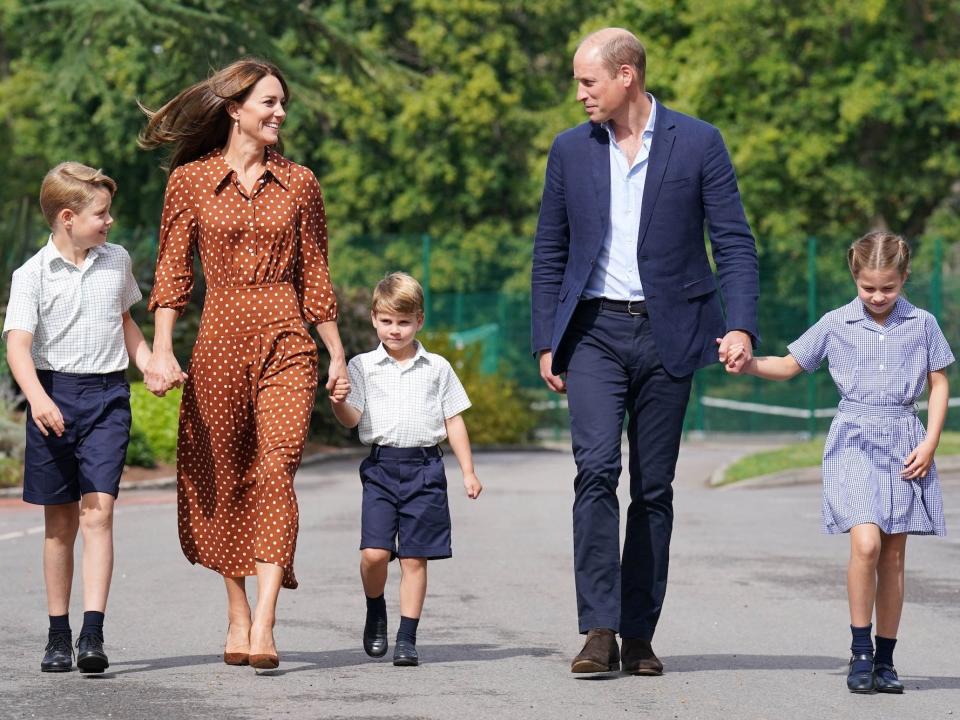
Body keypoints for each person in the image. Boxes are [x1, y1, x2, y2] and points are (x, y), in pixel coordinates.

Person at [531, 27, 760, 675]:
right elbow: (549, 252)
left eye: (588, 81)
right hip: (595, 333)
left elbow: (734, 243)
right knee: (596, 471)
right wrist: (548, 339)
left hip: (672, 333)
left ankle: (640, 634)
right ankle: (599, 630)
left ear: (626, 75)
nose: (580, 94)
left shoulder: (700, 142)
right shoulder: (569, 151)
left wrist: (740, 324)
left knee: (653, 488)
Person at [139, 57, 349, 671]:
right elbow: (172, 275)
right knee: (223, 474)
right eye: (268, 103)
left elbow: (316, 274)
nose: (280, 113)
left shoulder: (302, 182)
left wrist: (336, 353)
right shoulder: (191, 183)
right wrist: (160, 349)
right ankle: (235, 612)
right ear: (235, 109)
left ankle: (264, 622)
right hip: (220, 339)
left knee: (277, 468)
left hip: (287, 337)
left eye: (282, 103)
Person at [725, 231, 951, 694]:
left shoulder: (923, 323)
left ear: (904, 277)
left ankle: (886, 661)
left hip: (905, 440)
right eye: (868, 287)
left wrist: (930, 443)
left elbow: (939, 383)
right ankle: (860, 651)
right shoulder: (836, 323)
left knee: (893, 554)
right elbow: (789, 365)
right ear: (855, 278)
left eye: (888, 287)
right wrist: (746, 362)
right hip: (852, 438)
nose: (878, 296)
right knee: (865, 543)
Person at [3, 162, 154, 673]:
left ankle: (92, 632)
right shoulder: (31, 276)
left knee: (100, 511)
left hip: (108, 396)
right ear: (68, 217)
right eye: (101, 214)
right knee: (59, 523)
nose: (109, 223)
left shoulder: (117, 261)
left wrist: (149, 362)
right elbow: (18, 348)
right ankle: (57, 633)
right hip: (52, 396)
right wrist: (37, 399)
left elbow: (126, 321)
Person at [329, 272, 482, 667]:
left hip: (426, 468)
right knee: (374, 554)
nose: (394, 330)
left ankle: (407, 638)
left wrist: (467, 471)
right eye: (386, 321)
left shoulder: (438, 367)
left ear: (419, 321)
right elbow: (351, 419)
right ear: (374, 319)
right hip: (382, 468)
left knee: (415, 558)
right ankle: (375, 606)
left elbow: (454, 420)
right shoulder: (362, 366)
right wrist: (337, 401)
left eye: (403, 322)